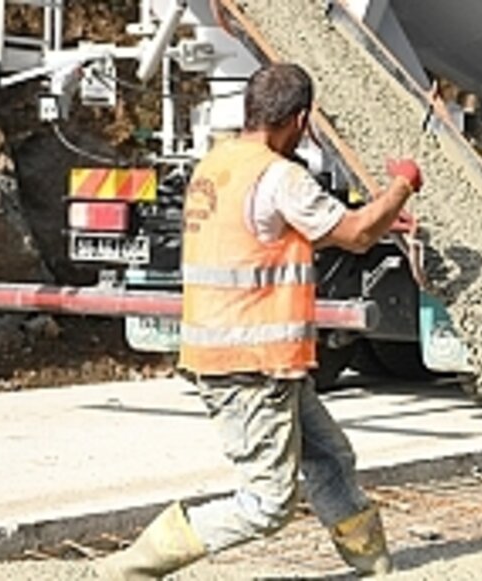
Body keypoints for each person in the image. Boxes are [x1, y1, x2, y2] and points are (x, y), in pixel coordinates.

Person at [98, 63, 422, 579]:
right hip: (252, 365)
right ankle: (132, 567)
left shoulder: (219, 164)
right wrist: (402, 186)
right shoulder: (281, 176)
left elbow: (268, 235)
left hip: (246, 357)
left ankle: (376, 565)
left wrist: (378, 216)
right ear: (300, 119)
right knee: (267, 505)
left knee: (330, 458)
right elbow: (357, 234)